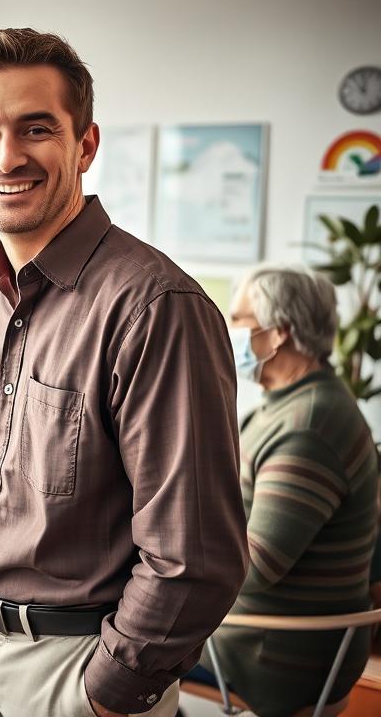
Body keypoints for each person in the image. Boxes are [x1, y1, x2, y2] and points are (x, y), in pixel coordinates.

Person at [0, 28, 249, 717]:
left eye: (36, 128)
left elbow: (193, 556)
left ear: (85, 145)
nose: (7, 156)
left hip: (79, 668)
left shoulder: (154, 307)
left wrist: (111, 693)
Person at [193, 265, 378, 716]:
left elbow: (254, 565)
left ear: (278, 335)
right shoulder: (288, 405)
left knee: (106, 648)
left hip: (267, 654)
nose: (226, 330)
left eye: (237, 320)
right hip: (255, 633)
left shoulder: (310, 426)